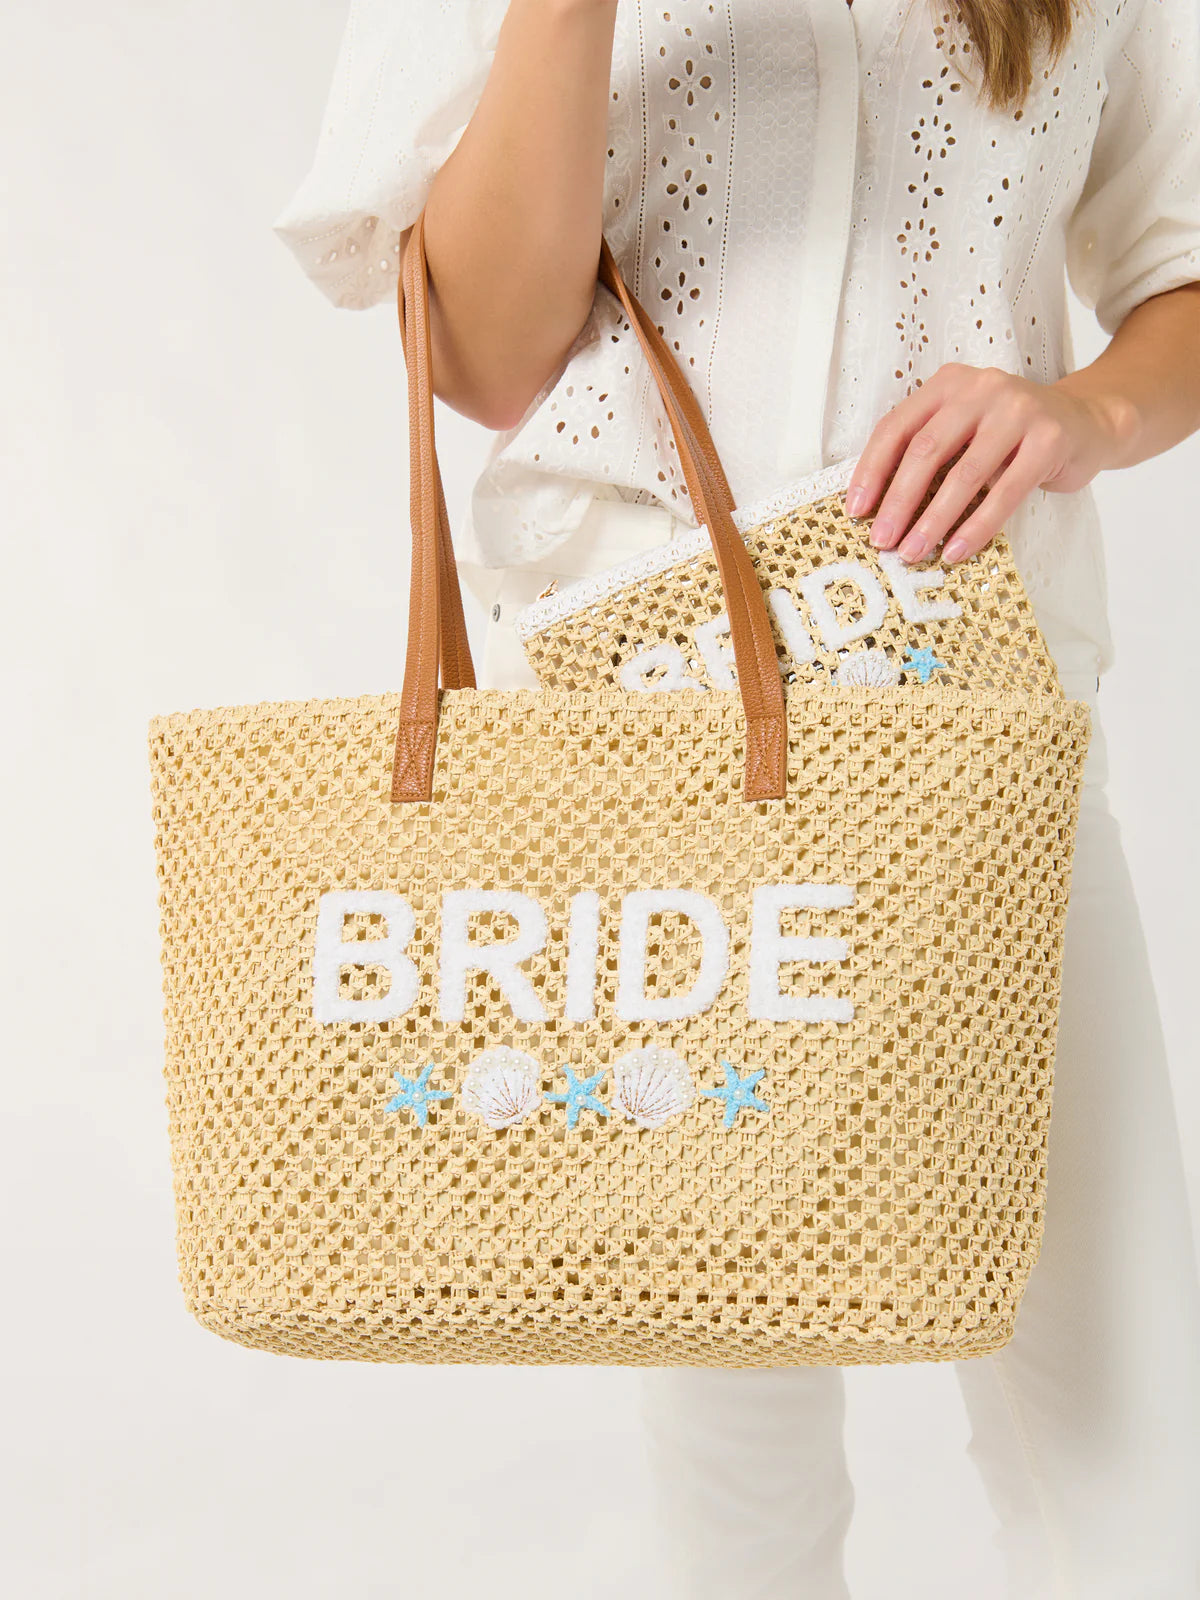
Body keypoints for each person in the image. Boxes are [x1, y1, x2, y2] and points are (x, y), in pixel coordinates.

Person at [272, 2, 1200, 1594]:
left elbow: (1176, 272)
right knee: (738, 1450)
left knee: (1136, 1439)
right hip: (650, 731)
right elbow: (484, 356)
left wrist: (1084, 413)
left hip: (974, 709)